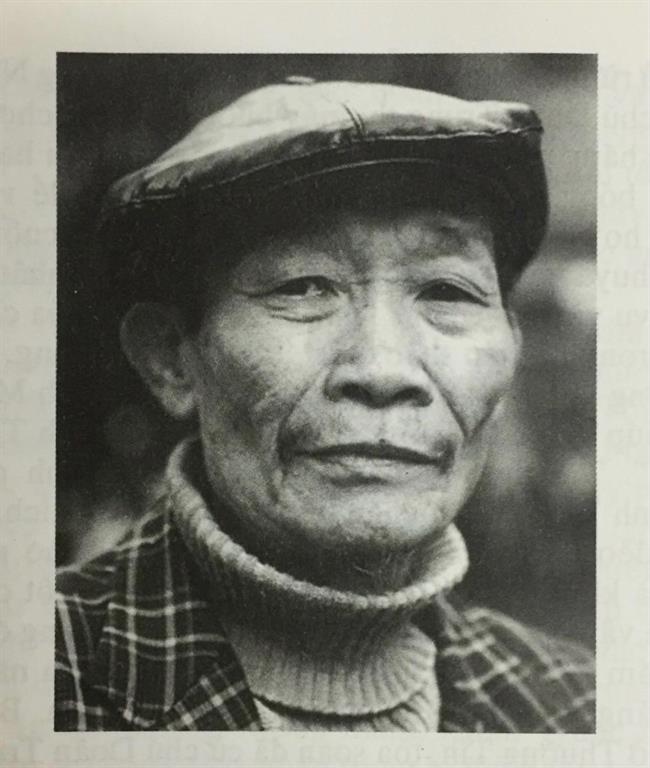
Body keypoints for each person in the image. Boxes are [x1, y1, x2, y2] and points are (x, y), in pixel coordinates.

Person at [55, 78, 595, 732]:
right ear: (170, 356)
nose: (383, 369)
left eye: (447, 291)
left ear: (509, 356)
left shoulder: (576, 707)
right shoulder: (44, 675)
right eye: (303, 286)